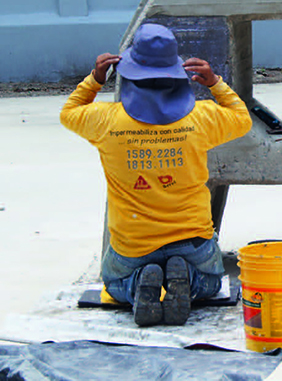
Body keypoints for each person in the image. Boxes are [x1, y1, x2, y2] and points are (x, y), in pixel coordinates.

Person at [61, 23, 252, 326]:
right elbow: (242, 119)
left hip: (133, 246)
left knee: (114, 282)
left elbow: (69, 112)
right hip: (193, 244)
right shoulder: (201, 118)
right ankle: (187, 276)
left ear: (129, 71)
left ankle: (137, 284)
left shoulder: (105, 122)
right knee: (209, 281)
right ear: (176, 72)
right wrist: (215, 83)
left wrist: (95, 80)